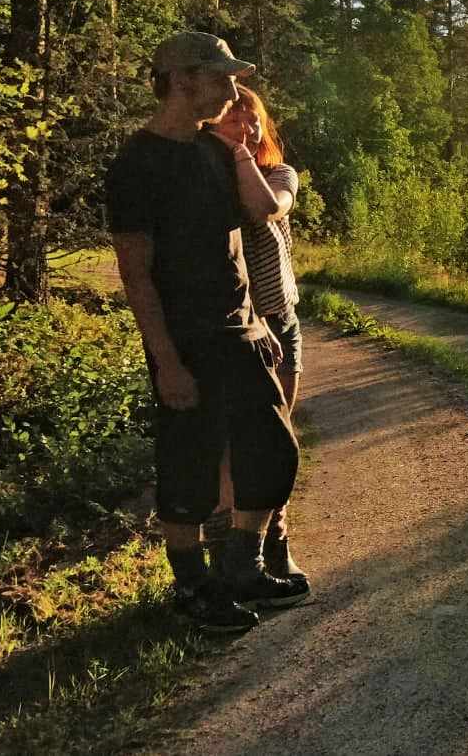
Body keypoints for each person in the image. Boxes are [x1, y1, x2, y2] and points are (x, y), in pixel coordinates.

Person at [106, 31, 310, 633]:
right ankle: (192, 588)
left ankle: (242, 569)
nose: (232, 88)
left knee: (274, 451)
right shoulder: (135, 164)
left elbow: (260, 215)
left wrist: (255, 322)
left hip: (241, 331)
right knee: (189, 466)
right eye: (220, 78)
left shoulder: (215, 151)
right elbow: (135, 273)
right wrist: (165, 359)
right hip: (186, 340)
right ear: (180, 81)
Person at [204, 87, 308, 583]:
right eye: (235, 121)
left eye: (254, 122)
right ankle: (228, 546)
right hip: (236, 327)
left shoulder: (277, 173)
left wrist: (241, 151)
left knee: (278, 437)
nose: (248, 129)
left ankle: (275, 539)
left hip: (280, 320)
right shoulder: (201, 180)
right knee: (232, 441)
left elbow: (270, 209)